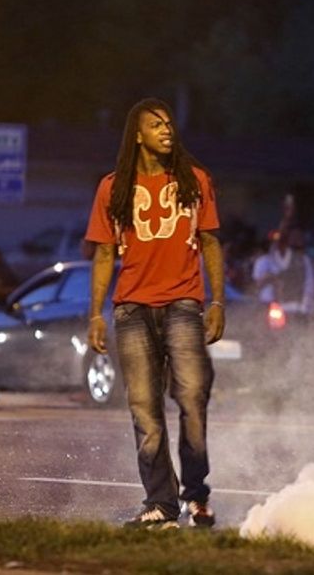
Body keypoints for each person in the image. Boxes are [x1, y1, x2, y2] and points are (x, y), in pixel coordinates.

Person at [86, 97, 225, 529]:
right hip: (131, 309)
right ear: (138, 135)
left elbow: (210, 243)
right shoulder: (113, 187)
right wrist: (95, 313)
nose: (167, 129)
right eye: (155, 124)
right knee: (144, 410)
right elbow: (105, 252)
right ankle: (160, 504)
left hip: (184, 304)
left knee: (192, 399)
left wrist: (218, 301)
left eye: (169, 123)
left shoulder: (195, 180)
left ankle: (196, 494)